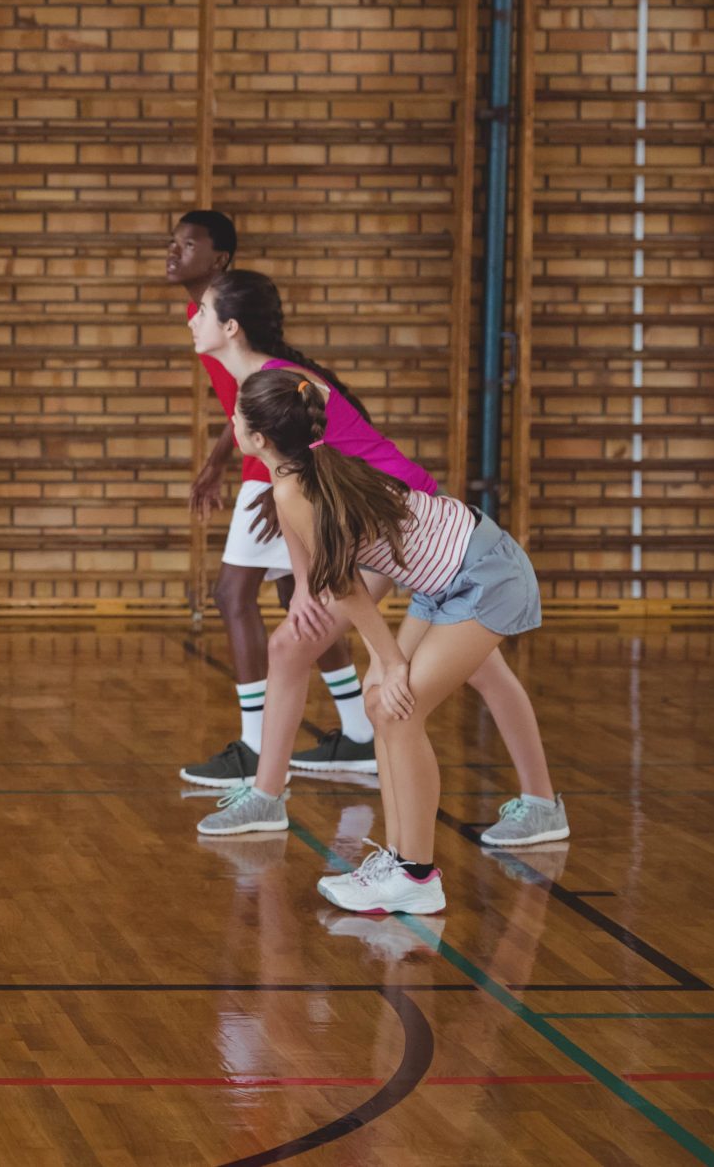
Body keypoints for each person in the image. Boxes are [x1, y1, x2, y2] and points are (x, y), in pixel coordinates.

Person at [187, 271, 567, 851]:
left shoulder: (277, 388)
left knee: (302, 649)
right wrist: (307, 587)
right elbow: (291, 509)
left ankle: (271, 797)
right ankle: (540, 804)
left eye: (202, 310)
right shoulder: (260, 401)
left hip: (401, 527)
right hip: (389, 533)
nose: (191, 318)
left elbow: (321, 529)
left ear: (230, 326)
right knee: (483, 668)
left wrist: (377, 650)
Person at [225, 367, 548, 914]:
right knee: (381, 705)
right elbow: (312, 552)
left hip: (486, 576)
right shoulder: (298, 473)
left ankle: (417, 877)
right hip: (446, 582)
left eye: (236, 414)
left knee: (399, 708)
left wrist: (391, 660)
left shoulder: (300, 483)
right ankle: (399, 863)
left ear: (259, 440)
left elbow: (347, 585)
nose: (229, 419)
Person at [167, 213, 376, 786]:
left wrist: (280, 481)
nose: (173, 253)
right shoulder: (201, 317)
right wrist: (217, 463)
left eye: (188, 245)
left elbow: (273, 399)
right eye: (173, 243)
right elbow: (243, 403)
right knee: (296, 597)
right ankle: (359, 734)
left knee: (233, 595)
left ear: (220, 262)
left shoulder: (223, 319)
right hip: (272, 464)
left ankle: (258, 748)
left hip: (279, 466)